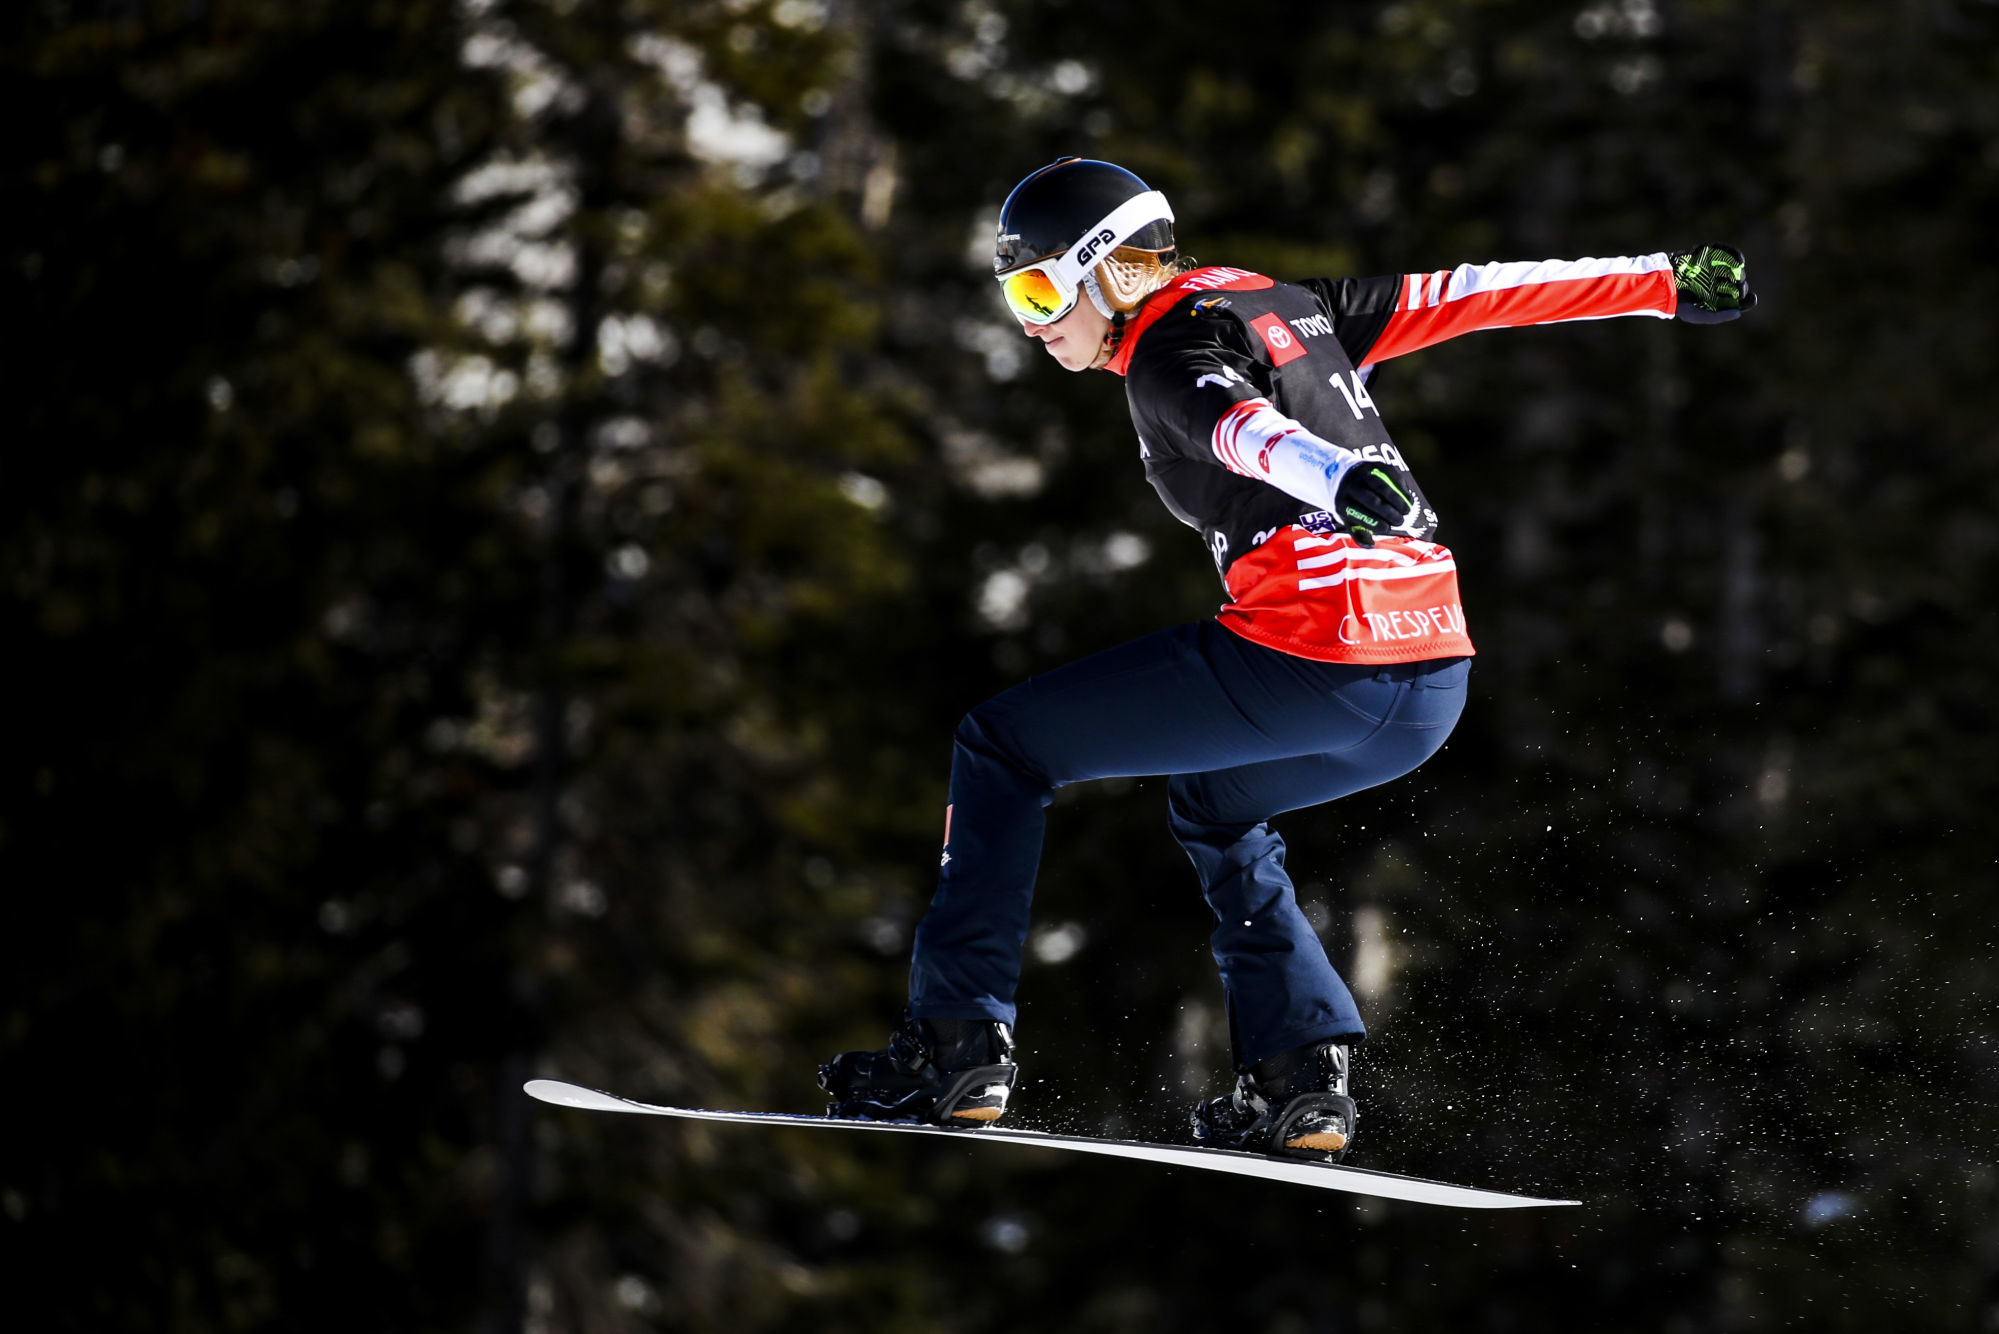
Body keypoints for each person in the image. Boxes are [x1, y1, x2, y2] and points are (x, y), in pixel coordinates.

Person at [818, 157, 1753, 1161]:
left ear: (1109, 270)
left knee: (1001, 746)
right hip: (1426, 683)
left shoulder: (1168, 354)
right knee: (1214, 804)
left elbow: (1240, 428)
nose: (1032, 325)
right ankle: (1299, 1073)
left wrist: (1335, 474)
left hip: (1311, 659)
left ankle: (954, 1047)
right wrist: (1662, 280)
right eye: (1016, 300)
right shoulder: (1289, 308)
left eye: (1042, 293)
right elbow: (1469, 292)